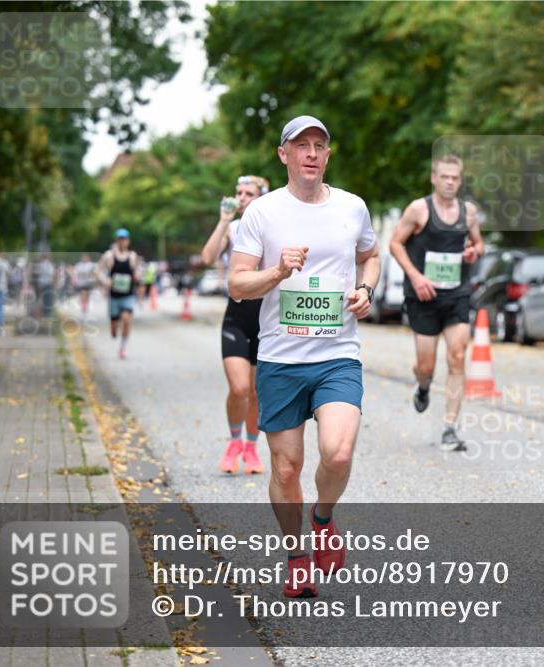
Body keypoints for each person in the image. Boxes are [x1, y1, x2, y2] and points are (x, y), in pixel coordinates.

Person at [229, 115, 380, 598]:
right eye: (301, 145)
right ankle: (296, 557)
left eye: (319, 145)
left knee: (338, 452)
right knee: (286, 468)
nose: (311, 153)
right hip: (280, 359)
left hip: (337, 354)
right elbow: (236, 283)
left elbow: (371, 256)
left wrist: (366, 289)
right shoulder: (262, 213)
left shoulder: (352, 207)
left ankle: (323, 517)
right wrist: (276, 272)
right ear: (284, 155)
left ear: (327, 155)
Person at [389, 155, 484, 451]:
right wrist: (416, 277)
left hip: (456, 294)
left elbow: (478, 243)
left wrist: (474, 252)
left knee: (457, 356)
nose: (450, 182)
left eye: (455, 178)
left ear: (460, 180)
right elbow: (395, 243)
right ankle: (423, 385)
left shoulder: (468, 212)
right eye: (445, 177)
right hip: (423, 296)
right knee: (425, 365)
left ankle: (449, 428)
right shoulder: (419, 209)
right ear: (434, 178)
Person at [200, 174, 270, 474]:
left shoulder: (272, 225)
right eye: (239, 192)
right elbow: (207, 257)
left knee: (255, 391)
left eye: (248, 193)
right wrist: (222, 221)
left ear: (261, 197)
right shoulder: (232, 227)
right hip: (237, 316)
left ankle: (251, 447)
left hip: (266, 317)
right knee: (239, 388)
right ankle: (233, 442)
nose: (241, 197)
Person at [97, 228, 142, 360]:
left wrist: (137, 277)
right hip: (114, 296)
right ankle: (114, 328)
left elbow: (138, 272)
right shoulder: (109, 256)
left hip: (128, 295)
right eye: (120, 239)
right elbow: (98, 271)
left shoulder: (132, 256)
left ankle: (122, 348)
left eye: (124, 239)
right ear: (116, 241)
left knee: (127, 320)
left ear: (128, 241)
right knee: (114, 328)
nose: (122, 242)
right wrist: (106, 281)